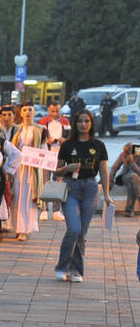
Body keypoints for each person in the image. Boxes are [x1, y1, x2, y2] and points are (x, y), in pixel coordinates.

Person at [53, 109, 111, 282]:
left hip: (90, 189)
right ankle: (62, 267)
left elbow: (104, 171)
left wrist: (107, 195)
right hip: (71, 188)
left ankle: (76, 271)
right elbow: (57, 171)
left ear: (91, 124)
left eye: (87, 121)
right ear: (75, 123)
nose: (83, 124)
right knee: (74, 229)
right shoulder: (67, 145)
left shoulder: (98, 145)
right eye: (80, 121)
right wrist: (67, 168)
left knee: (82, 233)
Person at [10, 103, 45, 241]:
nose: (27, 112)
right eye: (24, 110)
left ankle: (25, 229)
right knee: (17, 197)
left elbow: (44, 150)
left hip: (32, 169)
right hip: (18, 167)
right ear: (21, 113)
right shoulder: (16, 129)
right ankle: (17, 227)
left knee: (29, 197)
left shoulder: (41, 129)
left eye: (30, 110)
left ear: (34, 112)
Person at [38, 100, 70, 221]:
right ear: (48, 110)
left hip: (60, 155)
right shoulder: (42, 122)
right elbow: (38, 138)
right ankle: (44, 209)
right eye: (52, 111)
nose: (55, 113)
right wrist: (47, 141)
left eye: (57, 111)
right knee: (45, 182)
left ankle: (57, 210)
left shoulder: (65, 121)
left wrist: (64, 140)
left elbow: (70, 137)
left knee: (59, 182)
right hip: (47, 154)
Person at [109, 143, 140, 216]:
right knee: (133, 176)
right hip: (125, 177)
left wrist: (132, 163)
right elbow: (114, 167)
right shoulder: (123, 155)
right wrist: (111, 180)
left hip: (137, 179)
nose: (129, 153)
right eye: (127, 151)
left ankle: (129, 210)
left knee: (131, 184)